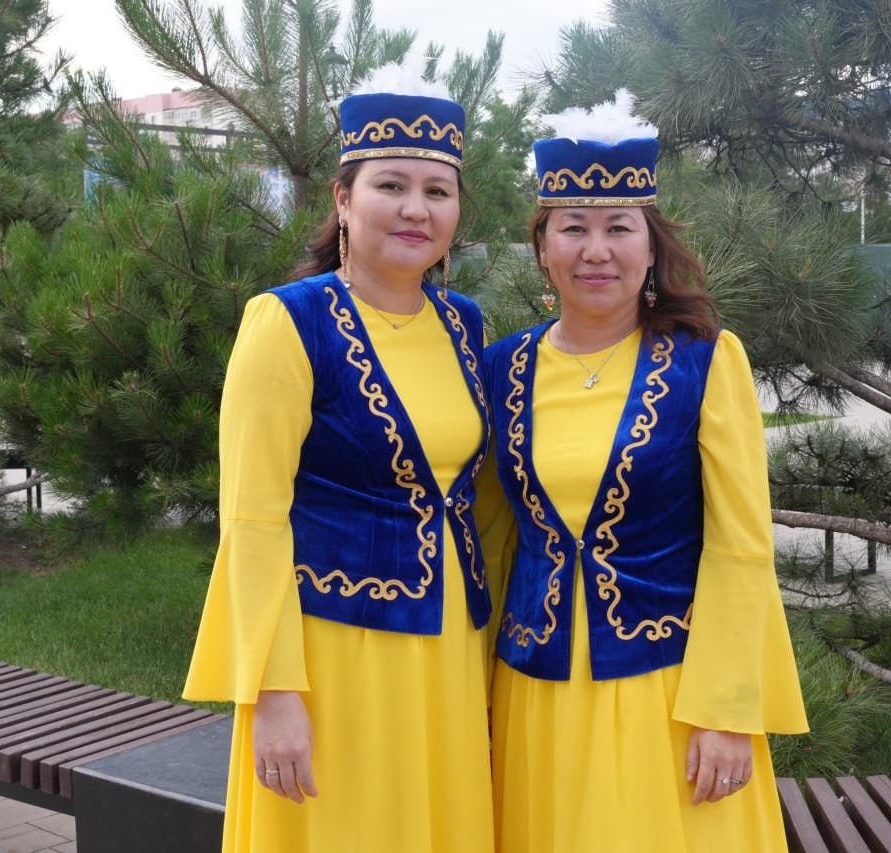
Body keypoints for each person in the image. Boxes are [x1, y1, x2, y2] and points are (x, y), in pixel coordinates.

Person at [484, 92, 808, 853]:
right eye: (573, 227)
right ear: (542, 248)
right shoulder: (502, 367)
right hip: (534, 694)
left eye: (619, 227)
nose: (596, 250)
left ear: (652, 246)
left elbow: (741, 545)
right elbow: (490, 537)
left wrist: (728, 712)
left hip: (670, 692)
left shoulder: (705, 359)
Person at [183, 66, 495, 853]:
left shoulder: (463, 323)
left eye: (438, 190)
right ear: (343, 198)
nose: (417, 208)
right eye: (392, 184)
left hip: (452, 648)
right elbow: (253, 519)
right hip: (335, 654)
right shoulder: (287, 323)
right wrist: (274, 693)